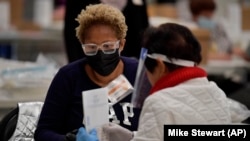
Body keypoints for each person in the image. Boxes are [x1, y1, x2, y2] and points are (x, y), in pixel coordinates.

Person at [97, 23, 233, 141]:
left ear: (160, 66)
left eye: (148, 70)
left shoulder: (159, 102)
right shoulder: (217, 92)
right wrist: (136, 136)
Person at [34, 3, 141, 141]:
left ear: (121, 44)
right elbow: (42, 132)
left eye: (107, 46)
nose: (100, 53)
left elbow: (169, 131)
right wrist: (70, 140)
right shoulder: (69, 77)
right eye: (91, 47)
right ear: (82, 46)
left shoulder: (139, 75)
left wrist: (135, 137)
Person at [63, 0, 149, 63]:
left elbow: (145, 34)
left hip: (129, 67)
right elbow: (71, 37)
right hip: (90, 65)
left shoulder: (137, 3)